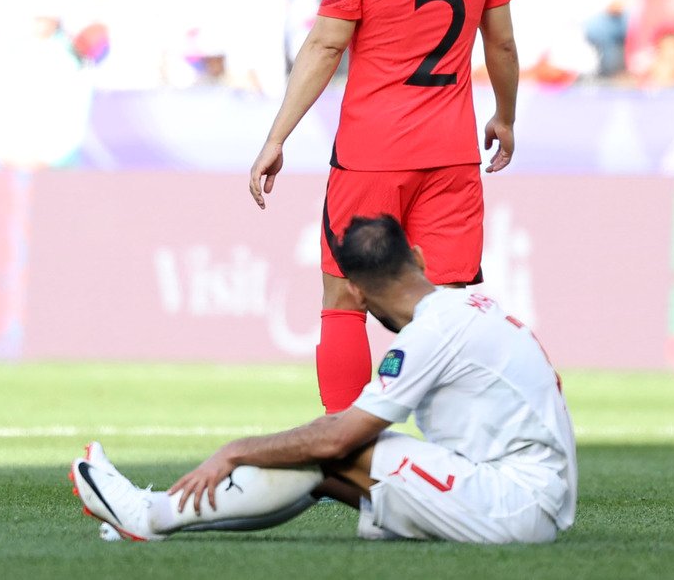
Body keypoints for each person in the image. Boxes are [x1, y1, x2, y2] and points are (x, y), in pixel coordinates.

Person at [247, 0, 520, 416]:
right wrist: (505, 115)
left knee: (344, 295)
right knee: (448, 307)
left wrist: (277, 136)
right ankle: (460, 457)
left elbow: (325, 42)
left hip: (372, 153)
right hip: (451, 155)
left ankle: (349, 459)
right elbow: (500, 41)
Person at [71, 214, 576, 545]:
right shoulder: (469, 306)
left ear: (353, 292)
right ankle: (157, 517)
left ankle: (148, 516)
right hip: (530, 498)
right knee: (326, 469)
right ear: (418, 258)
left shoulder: (428, 335)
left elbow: (338, 436)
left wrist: (235, 448)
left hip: (515, 505)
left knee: (331, 447)